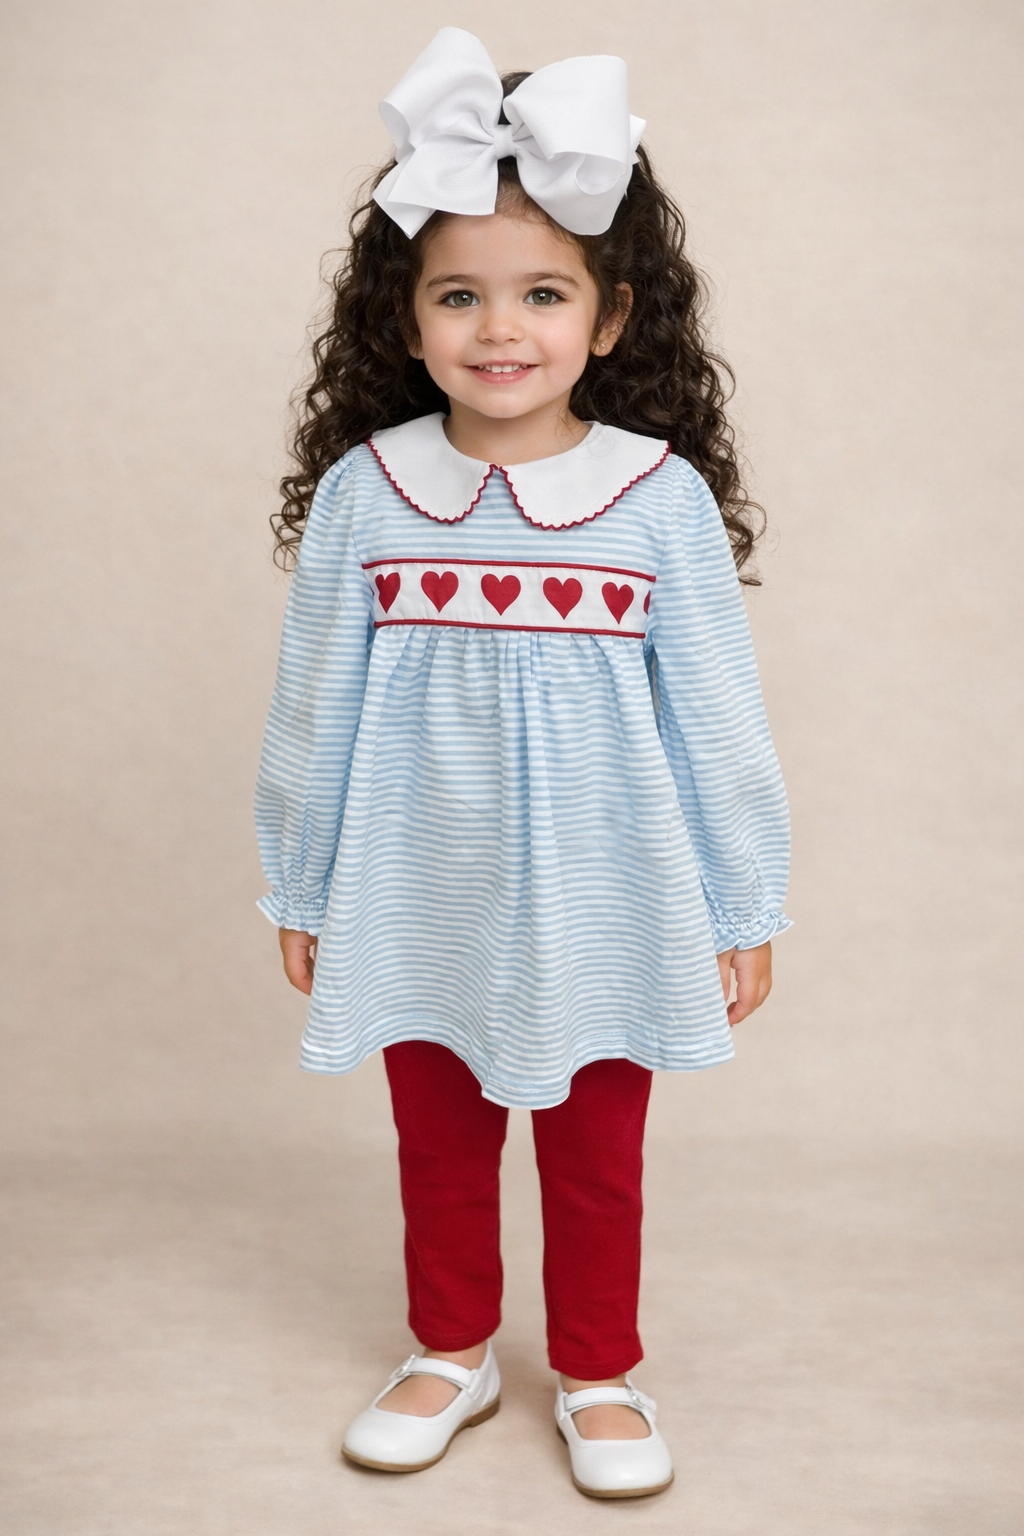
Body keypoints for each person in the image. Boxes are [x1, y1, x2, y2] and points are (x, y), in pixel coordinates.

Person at [254, 27, 790, 1500]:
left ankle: (601, 1369)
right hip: (417, 880)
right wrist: (299, 881)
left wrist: (745, 901)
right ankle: (452, 1346)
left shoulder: (654, 499)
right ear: (407, 321)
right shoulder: (374, 494)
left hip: (614, 889)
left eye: (543, 292)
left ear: (610, 319)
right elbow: (315, 704)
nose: (502, 328)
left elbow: (720, 718)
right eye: (460, 295)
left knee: (596, 1149)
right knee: (439, 1133)